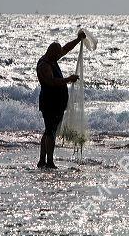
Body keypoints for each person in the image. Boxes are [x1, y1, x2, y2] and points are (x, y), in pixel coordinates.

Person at [36, 31, 86, 169]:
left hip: (57, 102)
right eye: (58, 54)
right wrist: (69, 79)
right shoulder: (44, 65)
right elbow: (51, 82)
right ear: (52, 53)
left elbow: (65, 48)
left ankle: (42, 161)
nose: (60, 56)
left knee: (48, 130)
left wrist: (78, 39)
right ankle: (49, 162)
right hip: (49, 102)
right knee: (51, 131)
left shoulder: (52, 58)